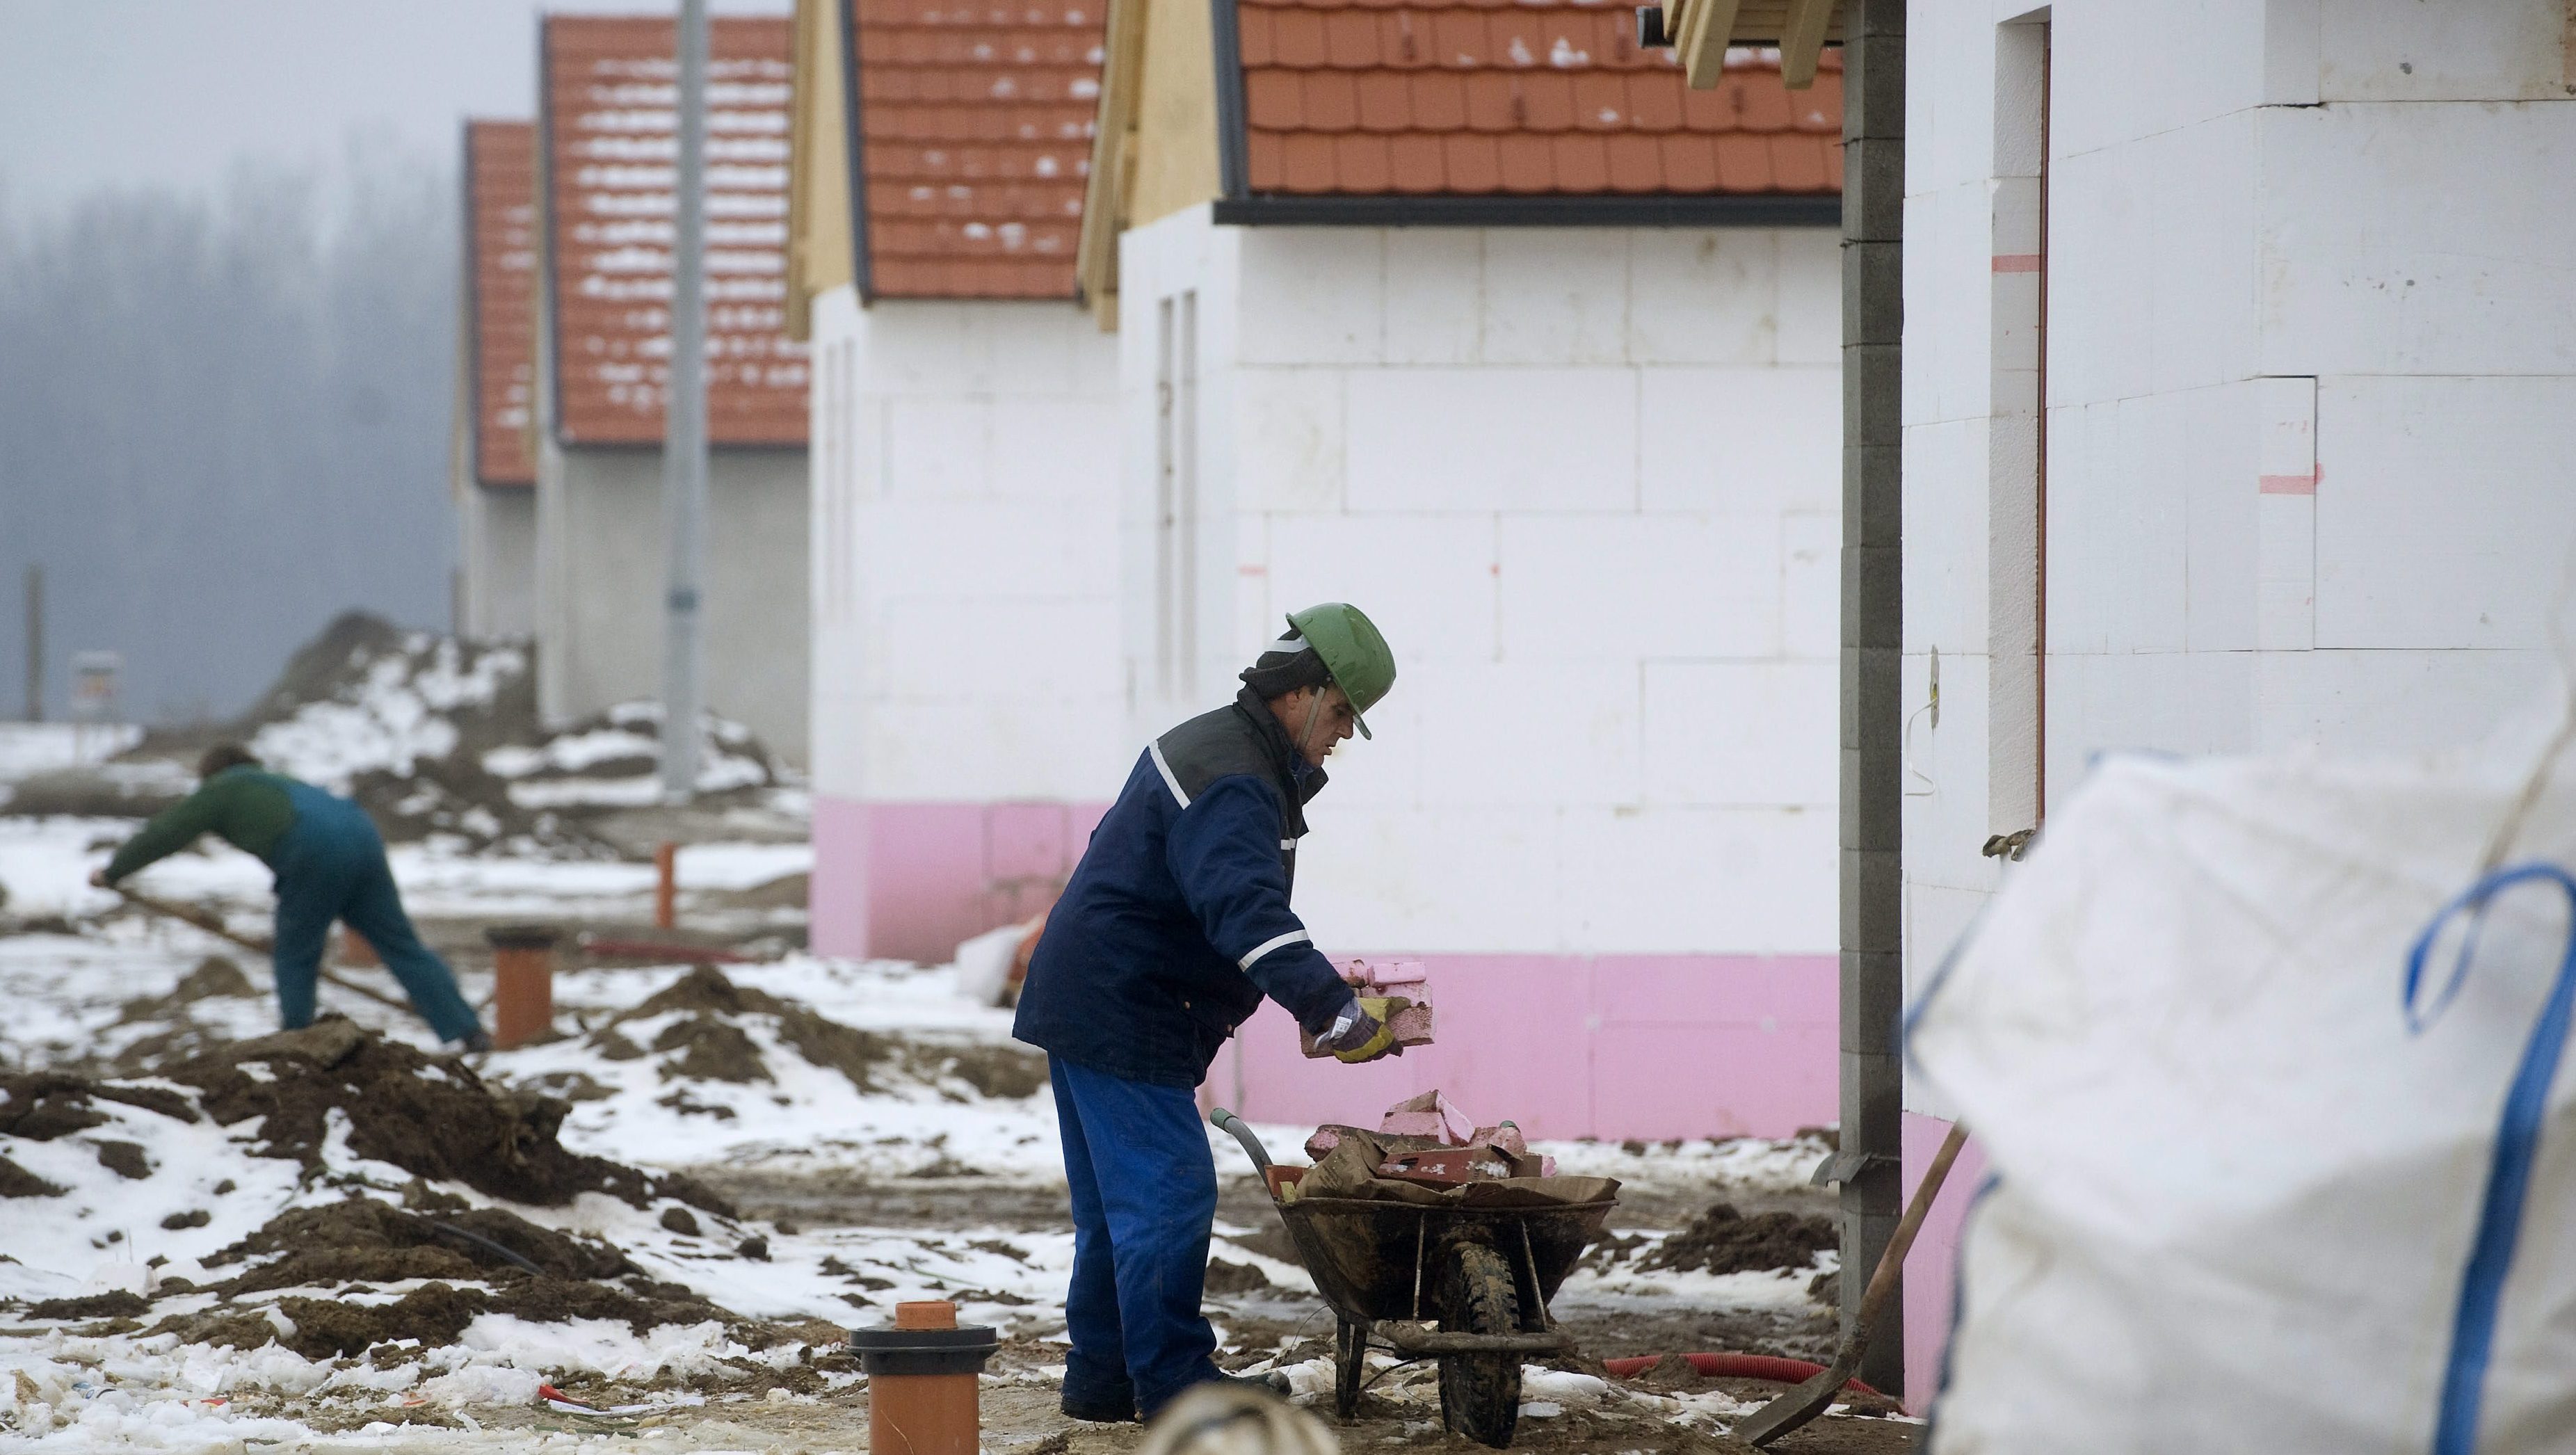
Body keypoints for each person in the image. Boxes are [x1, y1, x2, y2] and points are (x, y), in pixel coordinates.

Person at [1013, 602, 1401, 1423]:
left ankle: (1104, 1375)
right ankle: (1175, 1386)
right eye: (1338, 715)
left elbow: (1202, 900)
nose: (1337, 737)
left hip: (1094, 992)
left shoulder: (1213, 745)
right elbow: (1244, 911)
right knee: (1168, 1195)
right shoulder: (1237, 776)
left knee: (1116, 1210)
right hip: (1128, 1004)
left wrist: (1301, 997)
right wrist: (1334, 1010)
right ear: (1301, 691)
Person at [91, 743, 489, 1050]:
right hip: (363, 837)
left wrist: (114, 871)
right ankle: (466, 1030)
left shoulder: (223, 787)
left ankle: (299, 1043)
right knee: (402, 947)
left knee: (296, 954)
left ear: (214, 774)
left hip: (315, 852)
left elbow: (166, 832)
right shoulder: (280, 781)